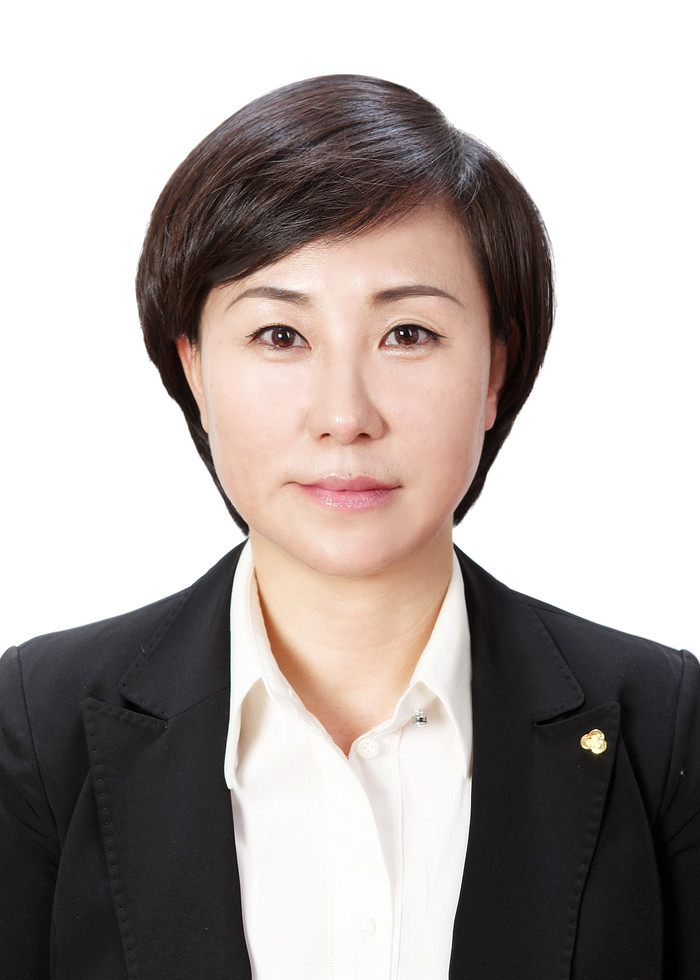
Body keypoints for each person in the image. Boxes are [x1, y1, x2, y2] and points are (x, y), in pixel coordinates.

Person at [0, 75, 697, 980]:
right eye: (280, 336)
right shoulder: (39, 726)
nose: (344, 416)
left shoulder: (663, 727)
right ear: (195, 370)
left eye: (407, 333)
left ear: (495, 372)